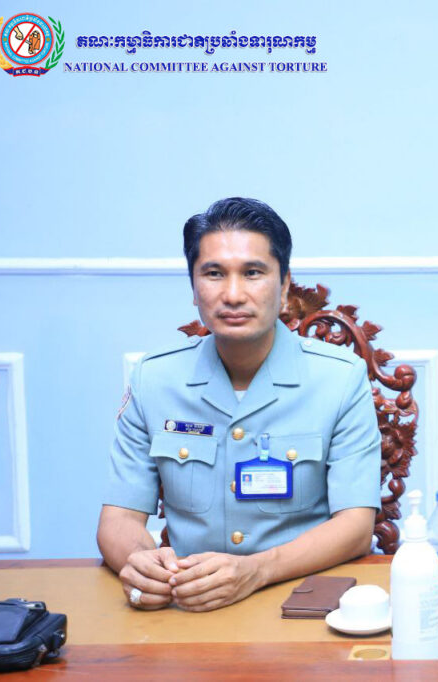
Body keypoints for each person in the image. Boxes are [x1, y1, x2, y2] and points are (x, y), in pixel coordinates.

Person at [97, 197, 382, 612]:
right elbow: (118, 519)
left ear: (284, 286)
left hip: (299, 602)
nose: (232, 294)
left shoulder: (339, 379)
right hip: (189, 605)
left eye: (253, 273)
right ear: (193, 287)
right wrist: (142, 564)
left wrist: (258, 570)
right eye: (214, 274)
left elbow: (356, 526)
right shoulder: (154, 379)